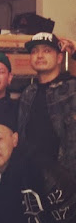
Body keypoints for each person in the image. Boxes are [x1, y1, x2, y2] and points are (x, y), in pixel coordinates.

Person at [18, 32, 76, 170]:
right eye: (34, 51)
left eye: (47, 51)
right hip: (32, 175)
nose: (39, 55)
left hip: (67, 177)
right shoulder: (28, 93)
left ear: (59, 58)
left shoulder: (72, 88)